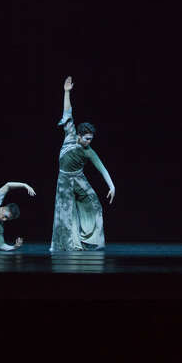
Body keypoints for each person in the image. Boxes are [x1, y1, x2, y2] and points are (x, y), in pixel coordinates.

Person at [50, 76, 116, 251]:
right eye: (86, 138)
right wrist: (66, 92)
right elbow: (67, 113)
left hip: (79, 178)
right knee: (66, 214)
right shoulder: (70, 136)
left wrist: (112, 186)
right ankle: (72, 243)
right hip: (64, 181)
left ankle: (90, 240)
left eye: (91, 139)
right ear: (79, 135)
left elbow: (102, 169)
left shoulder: (89, 151)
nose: (89, 141)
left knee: (95, 204)